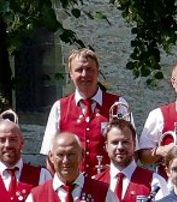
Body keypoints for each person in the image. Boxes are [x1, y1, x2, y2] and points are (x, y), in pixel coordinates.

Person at [42, 47, 131, 180]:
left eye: (90, 69)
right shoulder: (59, 107)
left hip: (110, 185)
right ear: (70, 74)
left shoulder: (118, 104)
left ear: (97, 72)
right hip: (72, 185)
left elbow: (131, 149)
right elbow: (50, 155)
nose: (84, 74)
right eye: (79, 70)